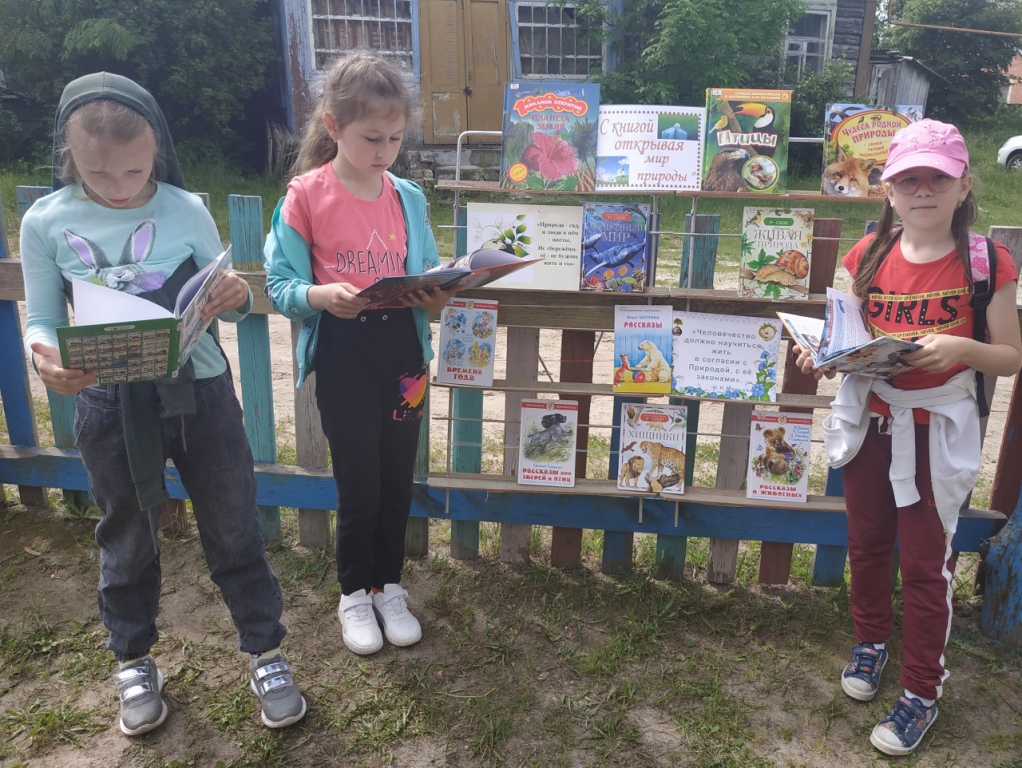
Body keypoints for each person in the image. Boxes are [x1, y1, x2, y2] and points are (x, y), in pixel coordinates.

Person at [19, 72, 307, 736]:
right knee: (125, 535)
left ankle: (266, 651)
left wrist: (235, 294)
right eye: (98, 172)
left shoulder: (185, 208)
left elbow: (226, 295)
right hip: (108, 403)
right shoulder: (46, 221)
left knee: (233, 525)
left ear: (158, 150)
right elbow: (42, 318)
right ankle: (132, 659)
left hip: (200, 393)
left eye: (135, 169)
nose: (119, 186)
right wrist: (44, 357)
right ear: (67, 155)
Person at [795, 119, 1022, 756]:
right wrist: (826, 357)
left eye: (937, 179)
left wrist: (962, 347)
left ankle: (922, 689)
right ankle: (870, 642)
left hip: (937, 430)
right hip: (871, 421)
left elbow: (1010, 357)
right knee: (867, 544)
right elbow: (848, 335)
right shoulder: (866, 255)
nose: (923, 190)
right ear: (888, 190)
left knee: (926, 563)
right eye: (909, 179)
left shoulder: (986, 263)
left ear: (963, 186)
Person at [263, 52, 454, 656]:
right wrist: (321, 295)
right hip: (345, 356)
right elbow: (279, 285)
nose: (385, 152)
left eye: (395, 139)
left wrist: (438, 294)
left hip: (404, 357)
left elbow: (427, 271)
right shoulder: (305, 197)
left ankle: (387, 585)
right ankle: (353, 594)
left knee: (397, 477)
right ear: (333, 125)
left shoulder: (409, 197)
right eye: (372, 138)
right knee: (359, 483)